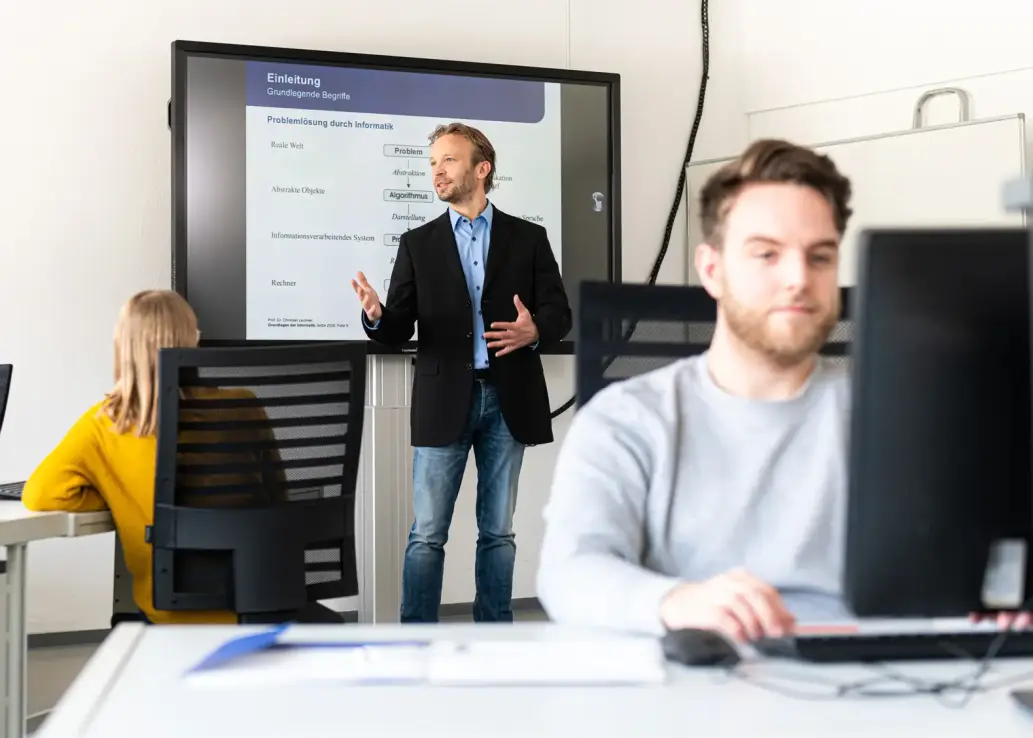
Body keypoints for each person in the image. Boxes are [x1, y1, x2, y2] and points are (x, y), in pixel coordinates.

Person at [352, 121, 571, 622]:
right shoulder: (418, 243)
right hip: (442, 397)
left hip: (507, 398)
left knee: (498, 531)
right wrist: (376, 315)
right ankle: (416, 638)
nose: (437, 172)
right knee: (427, 534)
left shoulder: (529, 238)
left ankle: (494, 632)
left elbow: (560, 314)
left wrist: (533, 331)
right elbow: (398, 327)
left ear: (481, 168)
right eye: (432, 164)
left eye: (447, 160)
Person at [22, 290, 298, 625]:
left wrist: (117, 494)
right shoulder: (243, 404)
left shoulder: (105, 424)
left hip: (174, 615)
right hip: (262, 604)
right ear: (190, 343)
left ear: (123, 349)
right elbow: (278, 500)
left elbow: (40, 494)